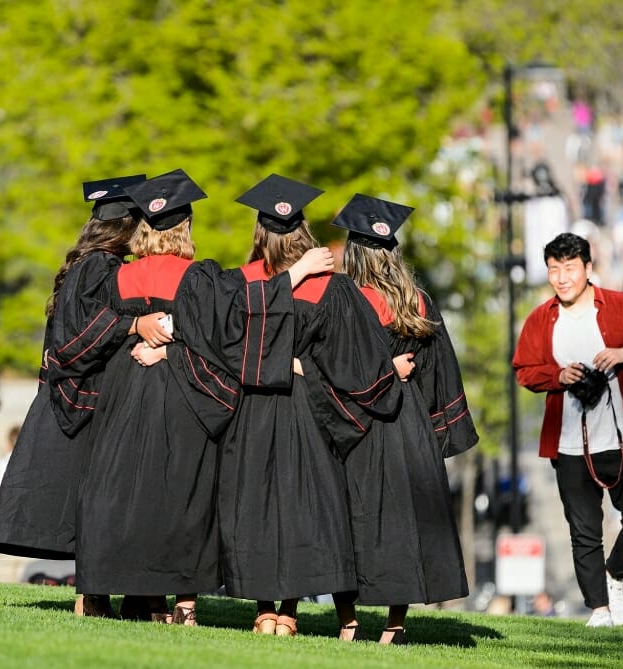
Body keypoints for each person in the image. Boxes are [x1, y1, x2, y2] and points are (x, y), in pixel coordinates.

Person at [71, 169, 333, 626]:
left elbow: (94, 333)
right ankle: (182, 604)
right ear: (185, 229)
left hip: (124, 394)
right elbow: (233, 326)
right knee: (183, 495)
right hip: (183, 396)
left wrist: (143, 334)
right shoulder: (198, 279)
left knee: (125, 490)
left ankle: (132, 596)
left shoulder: (119, 279)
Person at [203, 175, 399, 637]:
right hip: (294, 409)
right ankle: (281, 609)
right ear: (303, 234)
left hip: (272, 408)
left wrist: (303, 364)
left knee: (269, 505)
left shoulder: (252, 285)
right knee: (292, 505)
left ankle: (273, 608)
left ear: (260, 233)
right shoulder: (274, 285)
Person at [0, 174, 168, 619]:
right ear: (123, 227)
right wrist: (132, 325)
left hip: (71, 399)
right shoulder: (100, 268)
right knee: (97, 501)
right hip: (82, 403)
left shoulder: (86, 264)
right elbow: (74, 341)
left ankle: (103, 595)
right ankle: (95, 596)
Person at [316, 193, 477, 644]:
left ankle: (347, 622)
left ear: (356, 252)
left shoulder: (345, 298)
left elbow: (332, 363)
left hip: (357, 421)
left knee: (349, 519)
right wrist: (435, 430)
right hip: (409, 425)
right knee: (403, 524)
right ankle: (393, 626)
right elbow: (440, 371)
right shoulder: (418, 302)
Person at [513, 232, 623, 628]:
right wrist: (558, 375)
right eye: (553, 270)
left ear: (587, 268)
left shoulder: (622, 307)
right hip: (568, 444)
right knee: (584, 531)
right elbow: (524, 370)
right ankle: (599, 610)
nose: (561, 278)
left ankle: (613, 576)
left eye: (569, 268)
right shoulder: (540, 319)